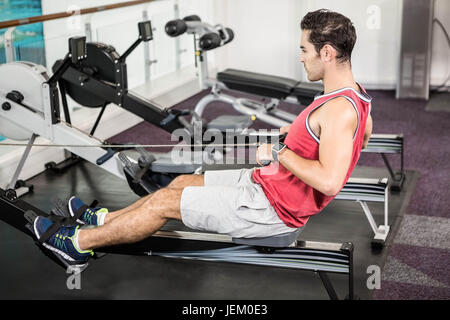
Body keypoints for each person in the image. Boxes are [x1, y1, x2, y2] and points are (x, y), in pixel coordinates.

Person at [33, 9, 373, 268]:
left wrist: (281, 152)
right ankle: (105, 221)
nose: (301, 57)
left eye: (304, 49)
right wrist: (296, 135)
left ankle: (77, 245)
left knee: (164, 204)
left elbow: (330, 181)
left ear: (326, 52)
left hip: (271, 209)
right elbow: (357, 142)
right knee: (179, 182)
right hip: (263, 186)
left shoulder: (339, 109)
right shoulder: (355, 98)